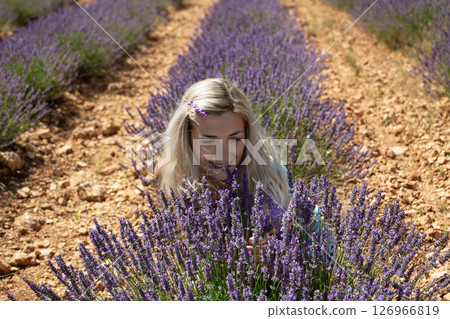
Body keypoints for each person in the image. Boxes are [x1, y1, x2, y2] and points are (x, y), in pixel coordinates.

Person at [153, 77, 336, 262]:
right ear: (187, 136)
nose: (224, 154)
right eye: (209, 140)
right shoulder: (171, 173)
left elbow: (322, 247)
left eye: (234, 139)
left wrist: (277, 252)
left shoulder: (265, 180)